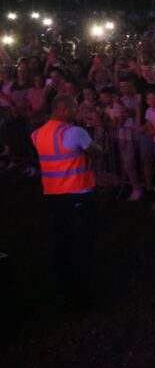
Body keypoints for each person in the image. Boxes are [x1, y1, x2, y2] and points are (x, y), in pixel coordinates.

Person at [30, 94, 101, 309]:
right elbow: (97, 151)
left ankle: (62, 286)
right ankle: (83, 294)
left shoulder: (37, 134)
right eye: (74, 108)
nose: (76, 112)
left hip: (53, 195)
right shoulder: (74, 132)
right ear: (63, 109)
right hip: (77, 194)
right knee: (82, 243)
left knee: (61, 241)